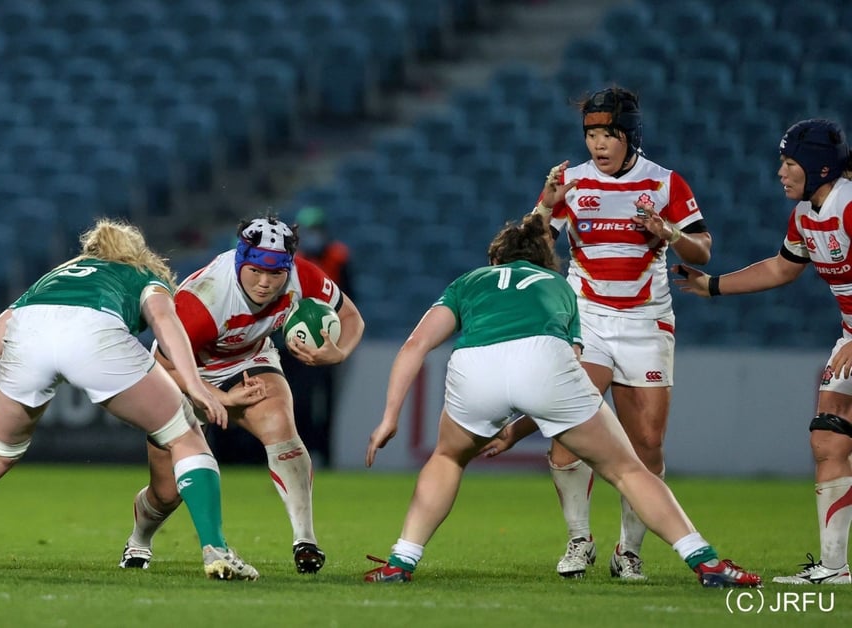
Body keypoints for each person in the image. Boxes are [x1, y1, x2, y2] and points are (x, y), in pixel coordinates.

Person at [362, 215, 760, 588]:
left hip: (475, 365)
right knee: (627, 470)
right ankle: (705, 561)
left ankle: (401, 560)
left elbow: (416, 345)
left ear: (496, 258)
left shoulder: (469, 280)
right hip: (543, 358)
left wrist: (389, 416)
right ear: (544, 260)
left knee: (447, 458)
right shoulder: (562, 288)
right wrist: (520, 428)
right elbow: (561, 376)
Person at [0, 218, 258, 581]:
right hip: (94, 335)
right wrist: (194, 384)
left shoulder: (50, 280)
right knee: (183, 435)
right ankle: (216, 550)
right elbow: (164, 320)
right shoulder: (141, 275)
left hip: (30, 335)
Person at [509, 87, 714, 580]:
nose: (598, 145)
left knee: (646, 444)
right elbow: (530, 249)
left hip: (647, 322)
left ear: (631, 136)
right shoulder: (571, 182)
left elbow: (702, 251)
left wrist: (668, 233)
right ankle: (579, 540)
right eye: (591, 135)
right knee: (568, 430)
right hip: (589, 318)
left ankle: (629, 552)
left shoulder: (665, 183)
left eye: (608, 135)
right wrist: (545, 206)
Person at [118, 215, 365, 574]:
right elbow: (163, 369)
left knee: (281, 424)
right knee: (166, 492)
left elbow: (353, 317)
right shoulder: (202, 302)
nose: (265, 283)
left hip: (249, 358)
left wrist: (339, 352)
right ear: (239, 259)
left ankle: (306, 541)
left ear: (288, 267)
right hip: (187, 372)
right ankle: (140, 539)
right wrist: (219, 396)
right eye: (255, 271)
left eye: (275, 273)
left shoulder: (302, 275)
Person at [675, 118, 852, 585]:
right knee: (828, 438)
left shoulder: (850, 207)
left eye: (790, 162)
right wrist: (712, 286)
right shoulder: (806, 217)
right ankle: (835, 568)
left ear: (817, 168)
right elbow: (780, 268)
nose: (781, 171)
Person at [279, 205, 355, 467]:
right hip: (298, 340)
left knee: (328, 401)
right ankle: (302, 452)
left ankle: (326, 455)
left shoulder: (338, 257)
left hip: (329, 338)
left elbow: (349, 297)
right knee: (298, 400)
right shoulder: (292, 261)